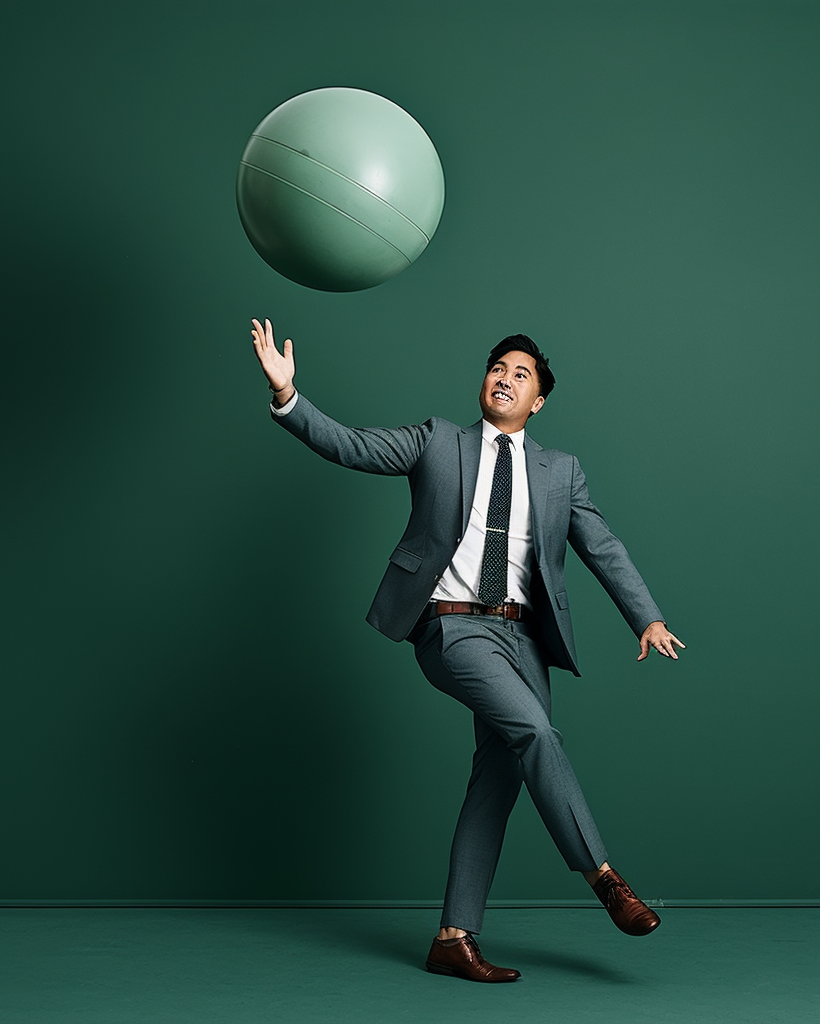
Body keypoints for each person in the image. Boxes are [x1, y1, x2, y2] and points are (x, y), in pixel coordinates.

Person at [250, 317, 685, 983]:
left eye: (521, 374)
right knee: (537, 734)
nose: (505, 378)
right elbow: (352, 446)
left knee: (499, 774)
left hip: (524, 638)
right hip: (453, 629)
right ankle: (604, 877)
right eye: (497, 368)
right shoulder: (436, 441)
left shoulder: (560, 471)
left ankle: (454, 937)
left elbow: (603, 547)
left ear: (537, 400)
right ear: (482, 383)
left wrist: (646, 619)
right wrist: (289, 397)